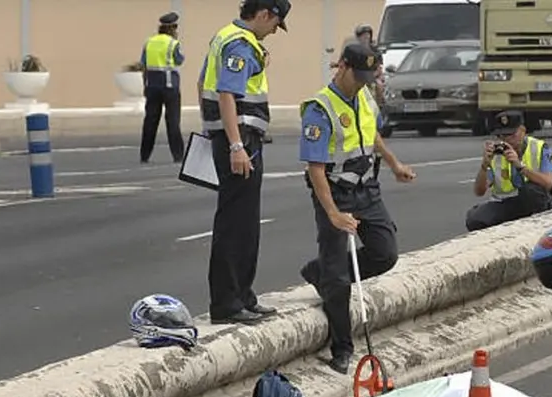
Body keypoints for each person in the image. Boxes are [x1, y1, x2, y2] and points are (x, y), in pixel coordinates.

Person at [298, 42, 417, 374]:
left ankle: (319, 272)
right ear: (342, 67)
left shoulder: (364, 96)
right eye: (359, 74)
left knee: (385, 253)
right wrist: (334, 214)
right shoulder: (320, 109)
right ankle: (342, 347)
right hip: (336, 193)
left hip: (368, 188)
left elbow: (373, 134)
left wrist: (394, 163)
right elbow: (316, 169)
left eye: (369, 75)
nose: (364, 81)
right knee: (338, 277)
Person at [198, 0, 290, 324]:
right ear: (264, 14)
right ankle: (226, 303)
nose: (274, 32)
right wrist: (235, 144)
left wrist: (213, 129)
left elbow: (202, 84)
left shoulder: (225, 36)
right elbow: (226, 93)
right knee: (235, 224)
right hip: (241, 141)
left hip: (237, 138)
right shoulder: (240, 45)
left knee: (246, 222)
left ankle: (243, 296)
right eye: (275, 24)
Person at [465, 110, 552, 231]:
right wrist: (484, 165)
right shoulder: (496, 153)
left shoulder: (540, 148)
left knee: (531, 191)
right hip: (505, 203)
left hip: (536, 201)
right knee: (475, 218)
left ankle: (537, 228)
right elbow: (479, 191)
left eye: (511, 135)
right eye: (501, 136)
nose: (506, 140)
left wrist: (520, 166)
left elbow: (548, 182)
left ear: (522, 131)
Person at [139, 12, 186, 164]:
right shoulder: (173, 43)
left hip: (152, 86)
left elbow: (143, 64)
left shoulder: (149, 42)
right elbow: (178, 60)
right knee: (172, 121)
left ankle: (144, 155)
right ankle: (178, 156)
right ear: (172, 28)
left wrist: (145, 84)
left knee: (150, 121)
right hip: (169, 87)